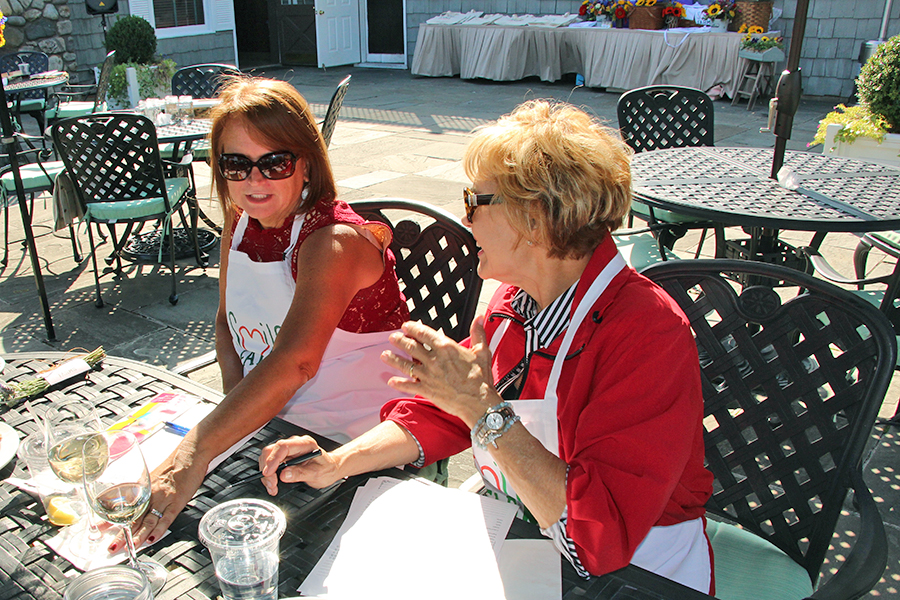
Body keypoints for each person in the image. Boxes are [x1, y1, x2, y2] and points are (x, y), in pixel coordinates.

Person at [257, 100, 714, 593]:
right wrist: (338, 461)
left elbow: (598, 533)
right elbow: (443, 413)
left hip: (638, 569)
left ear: (534, 219)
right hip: (525, 536)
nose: (465, 218)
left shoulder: (647, 333)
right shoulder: (513, 302)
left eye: (475, 202)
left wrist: (483, 409)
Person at [116, 77, 409, 552]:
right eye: (236, 164)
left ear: (306, 163)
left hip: (357, 445)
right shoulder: (240, 222)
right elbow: (226, 326)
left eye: (274, 162)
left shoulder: (333, 242)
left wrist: (195, 453)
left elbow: (295, 362)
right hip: (275, 433)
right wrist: (236, 424)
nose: (254, 181)